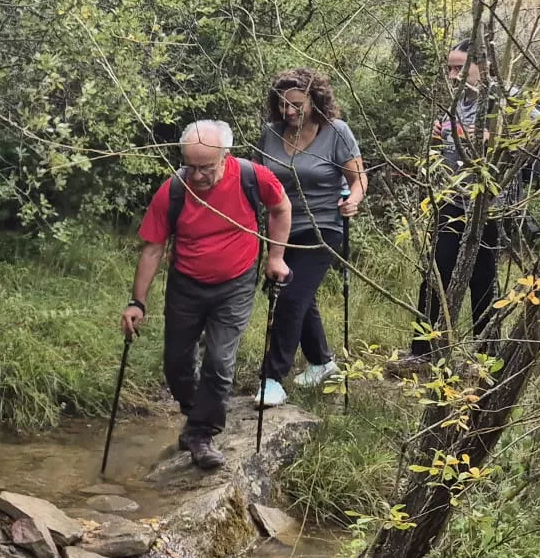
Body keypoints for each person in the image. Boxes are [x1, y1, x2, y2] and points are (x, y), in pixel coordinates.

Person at [122, 120, 291, 471]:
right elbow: (153, 248)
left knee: (219, 360)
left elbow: (280, 207)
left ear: (225, 157)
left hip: (236, 282)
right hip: (186, 283)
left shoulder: (251, 176)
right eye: (190, 166)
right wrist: (137, 302)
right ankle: (195, 413)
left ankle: (202, 432)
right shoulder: (173, 190)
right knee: (176, 362)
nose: (197, 175)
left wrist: (276, 257)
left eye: (206, 168)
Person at [253, 68, 364, 405]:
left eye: (297, 105)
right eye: (283, 104)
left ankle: (272, 378)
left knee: (290, 297)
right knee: (302, 298)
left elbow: (358, 179)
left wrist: (353, 200)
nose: (289, 112)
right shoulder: (270, 134)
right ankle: (322, 362)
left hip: (322, 229)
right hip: (280, 230)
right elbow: (255, 179)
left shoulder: (336, 132)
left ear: (315, 101)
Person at [405, 38, 503, 362]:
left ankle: (487, 355)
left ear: (483, 67)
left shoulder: (502, 100)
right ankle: (422, 352)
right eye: (449, 68)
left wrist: (500, 138)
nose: (452, 75)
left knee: (482, 279)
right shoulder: (455, 103)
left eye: (459, 68)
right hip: (450, 201)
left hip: (485, 204)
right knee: (437, 272)